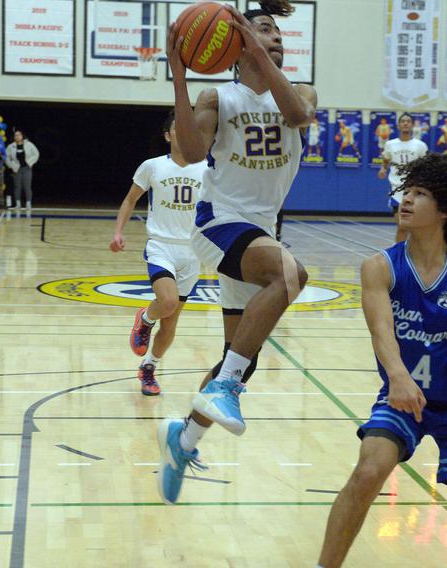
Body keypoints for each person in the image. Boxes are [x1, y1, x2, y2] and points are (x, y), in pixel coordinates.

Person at [157, 0, 317, 504]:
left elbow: (296, 114)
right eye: (262, 29)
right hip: (219, 223)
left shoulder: (300, 93)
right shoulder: (217, 98)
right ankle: (224, 389)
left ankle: (183, 439)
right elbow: (188, 154)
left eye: (277, 34)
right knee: (292, 274)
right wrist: (179, 75)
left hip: (260, 231)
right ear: (236, 43)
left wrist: (257, 47)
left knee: (239, 358)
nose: (274, 37)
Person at [318, 153, 447, 568]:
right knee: (368, 472)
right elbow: (381, 331)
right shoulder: (379, 267)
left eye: (420, 194)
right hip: (401, 400)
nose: (406, 199)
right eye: (407, 191)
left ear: (444, 210)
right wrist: (398, 377)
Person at [111, 113, 207, 396]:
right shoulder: (152, 167)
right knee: (167, 300)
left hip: (192, 251)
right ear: (168, 135)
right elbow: (130, 200)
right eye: (178, 128)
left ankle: (149, 367)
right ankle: (145, 319)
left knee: (172, 322)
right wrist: (118, 232)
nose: (185, 133)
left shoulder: (206, 170)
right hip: (161, 245)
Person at [378, 112, 428, 242]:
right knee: (402, 226)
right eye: (403, 121)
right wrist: (383, 169)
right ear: (398, 125)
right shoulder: (390, 144)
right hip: (397, 190)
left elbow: (426, 166)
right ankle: (399, 255)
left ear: (412, 126)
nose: (405, 123)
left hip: (414, 191)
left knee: (414, 227)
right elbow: (386, 160)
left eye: (408, 121)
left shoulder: (420, 146)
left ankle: (414, 253)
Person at [5, 129, 40, 211]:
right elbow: (6, 158)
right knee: (17, 187)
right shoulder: (11, 146)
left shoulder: (29, 144)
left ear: (22, 136)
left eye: (19, 135)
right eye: (15, 135)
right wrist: (12, 166)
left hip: (26, 168)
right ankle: (18, 204)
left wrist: (30, 163)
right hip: (16, 169)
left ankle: (28, 204)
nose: (17, 137)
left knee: (27, 186)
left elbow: (36, 154)